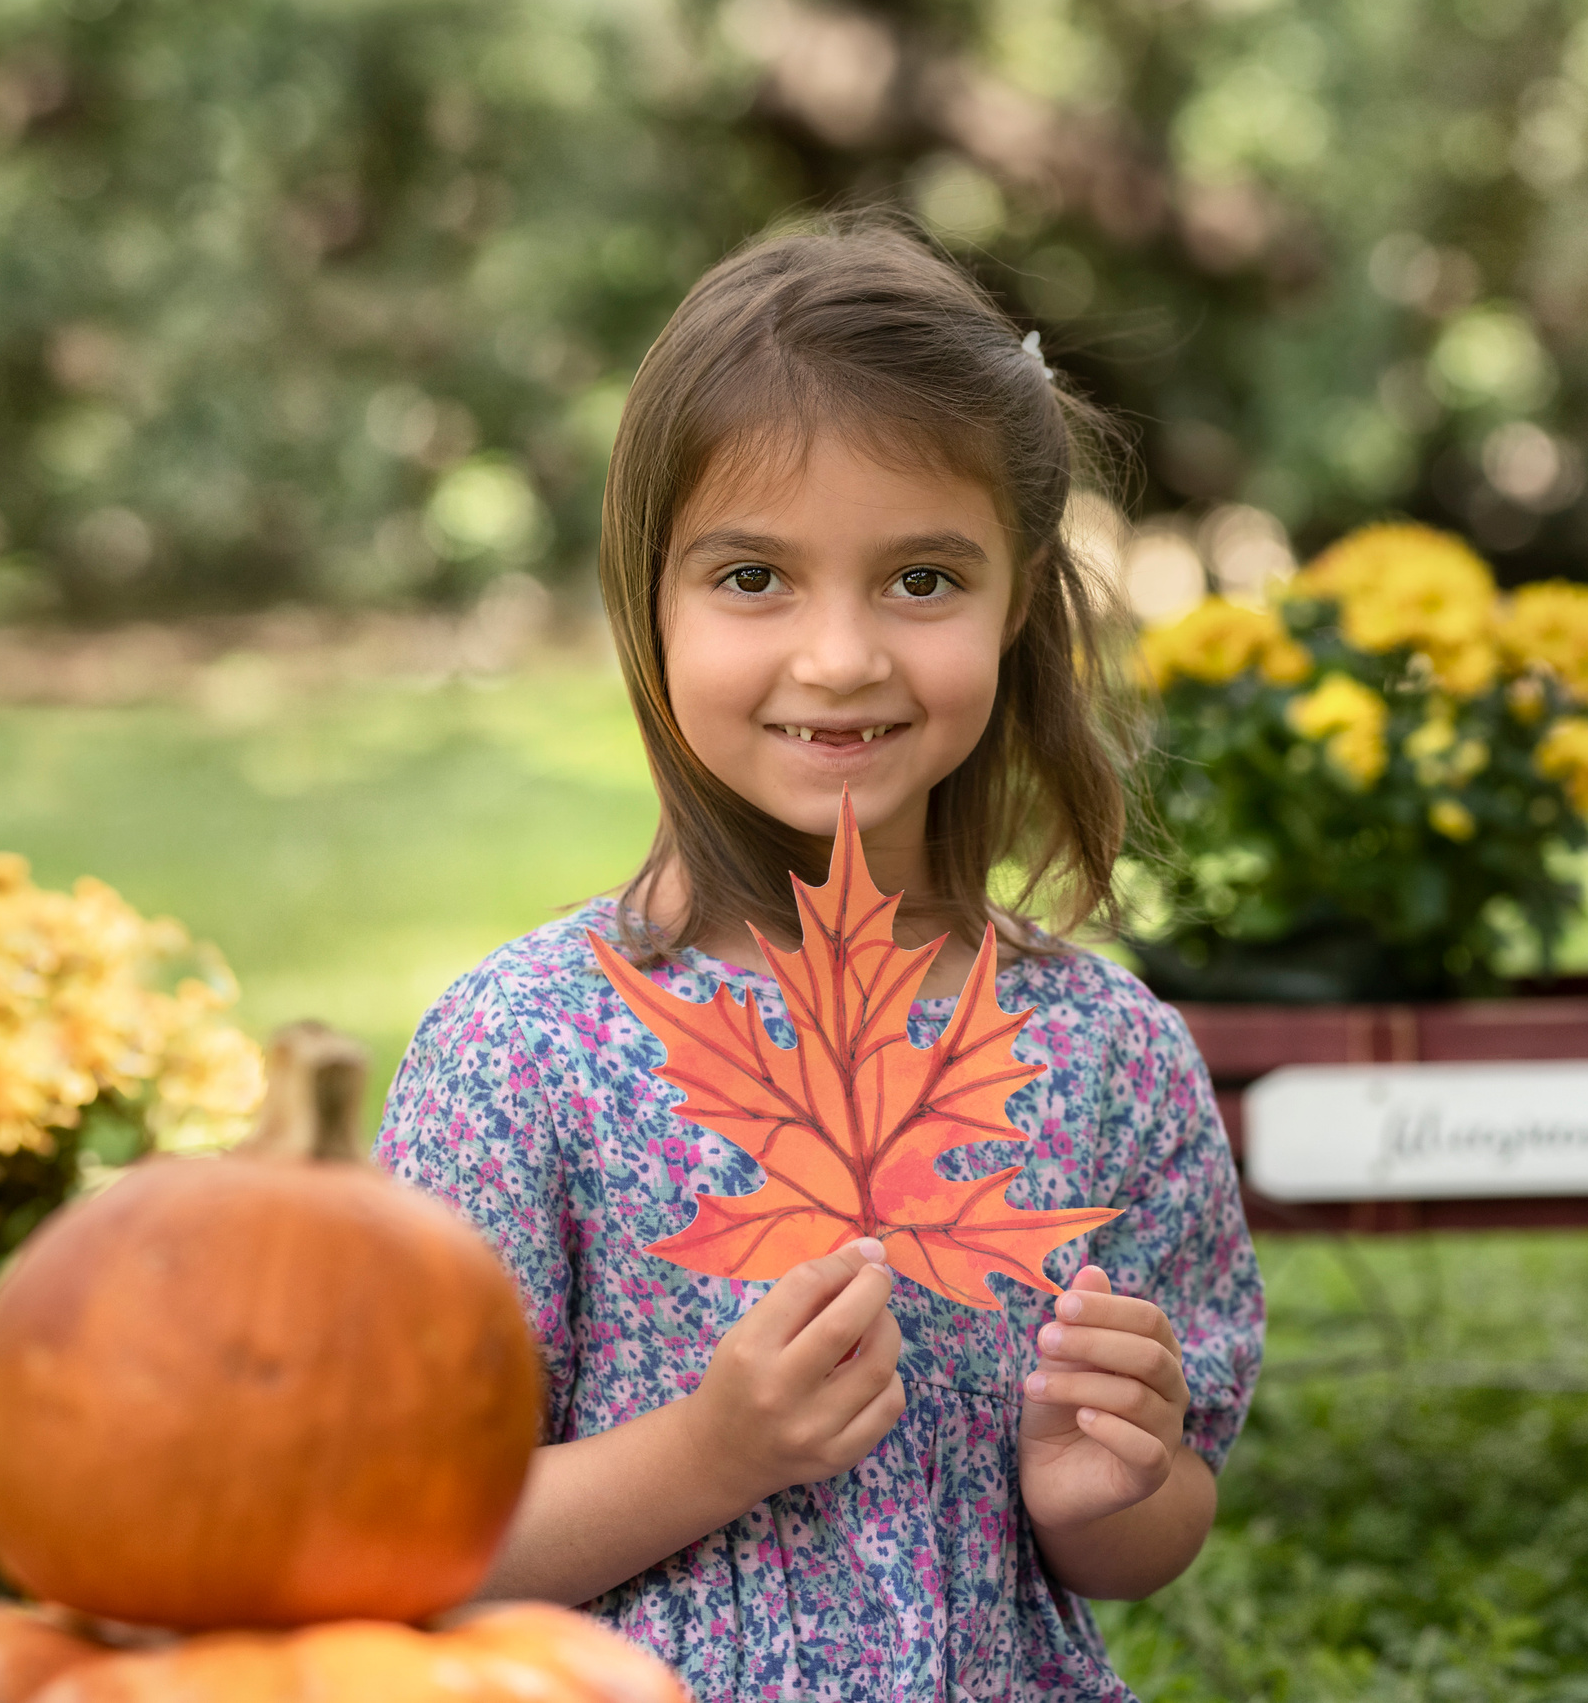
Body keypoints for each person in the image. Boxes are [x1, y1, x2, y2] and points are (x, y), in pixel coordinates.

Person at [375, 213, 1265, 1700]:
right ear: (647, 601)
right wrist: (709, 1456)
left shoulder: (1102, 1049)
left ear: (1020, 598)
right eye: (753, 579)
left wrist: (1110, 1485)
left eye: (923, 580)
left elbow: (1155, 1527)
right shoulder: (524, 1052)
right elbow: (414, 1544)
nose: (840, 656)